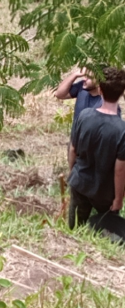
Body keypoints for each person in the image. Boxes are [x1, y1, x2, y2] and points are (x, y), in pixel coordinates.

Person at [67, 66, 125, 229]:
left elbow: (73, 149)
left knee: (75, 229)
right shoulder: (122, 130)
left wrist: (73, 174)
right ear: (121, 93)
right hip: (106, 192)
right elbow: (120, 170)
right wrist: (118, 199)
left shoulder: (84, 116)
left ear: (100, 90)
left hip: (80, 184)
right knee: (108, 232)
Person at [55, 67, 121, 127]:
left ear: (99, 81)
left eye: (89, 77)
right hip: (76, 139)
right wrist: (75, 74)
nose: (84, 79)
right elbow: (59, 94)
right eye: (85, 76)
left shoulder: (107, 104)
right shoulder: (82, 87)